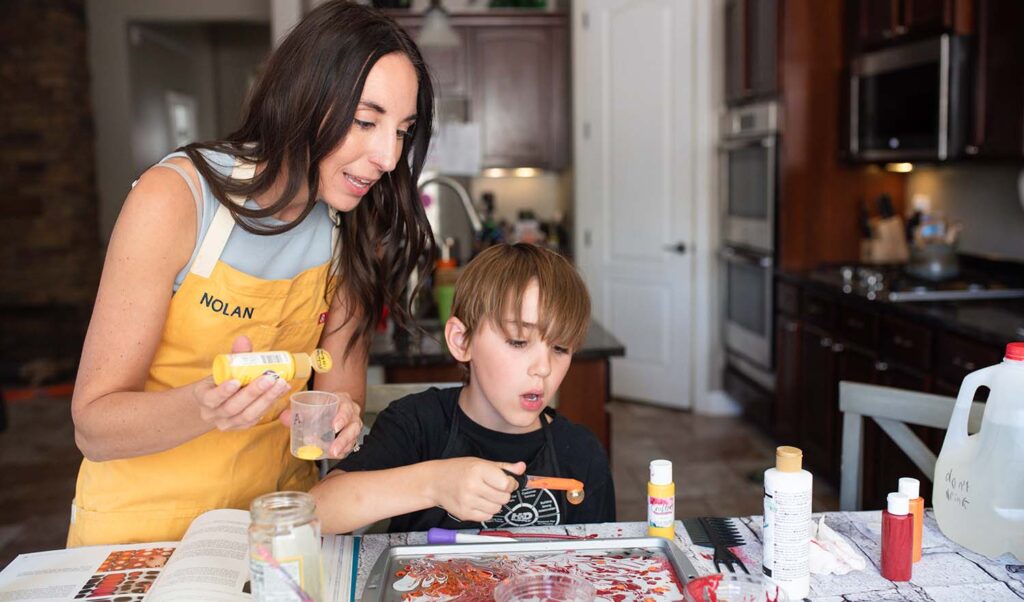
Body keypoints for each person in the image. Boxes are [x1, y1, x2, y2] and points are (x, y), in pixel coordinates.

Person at [68, 1, 436, 546]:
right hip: (139, 535)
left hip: (277, 526)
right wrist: (203, 405)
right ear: (303, 99)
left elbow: (339, 395)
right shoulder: (175, 199)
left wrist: (341, 422)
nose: (387, 155)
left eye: (402, 131)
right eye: (365, 121)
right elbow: (93, 427)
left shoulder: (351, 227)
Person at [311, 243, 616, 534]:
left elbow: (602, 566)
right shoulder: (417, 423)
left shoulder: (581, 453)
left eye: (560, 348)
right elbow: (316, 512)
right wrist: (434, 484)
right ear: (462, 341)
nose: (544, 367)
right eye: (519, 341)